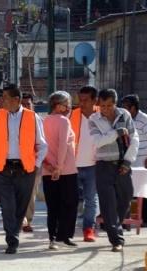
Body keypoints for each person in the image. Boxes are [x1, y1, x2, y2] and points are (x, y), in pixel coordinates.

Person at [0, 85, 47, 254]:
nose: (1, 100)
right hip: (2, 169)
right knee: (8, 205)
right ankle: (12, 239)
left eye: (5, 97)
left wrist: (36, 165)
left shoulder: (32, 117)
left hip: (25, 170)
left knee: (21, 207)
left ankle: (13, 234)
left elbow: (42, 145)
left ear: (16, 99)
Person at [89, 88, 139, 252]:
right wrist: (115, 133)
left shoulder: (124, 115)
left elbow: (134, 139)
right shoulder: (93, 119)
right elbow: (97, 141)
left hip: (123, 164)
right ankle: (116, 239)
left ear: (115, 103)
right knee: (108, 203)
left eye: (109, 105)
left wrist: (127, 162)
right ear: (98, 104)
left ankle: (114, 224)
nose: (106, 109)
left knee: (125, 198)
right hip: (104, 166)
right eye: (102, 105)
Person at [42, 91, 78, 249]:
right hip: (66, 169)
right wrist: (59, 167)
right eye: (67, 104)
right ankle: (64, 235)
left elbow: (40, 146)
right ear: (58, 105)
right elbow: (63, 144)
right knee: (69, 203)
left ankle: (53, 237)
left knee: (53, 205)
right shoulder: (64, 121)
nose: (69, 107)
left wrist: (48, 166)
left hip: (47, 168)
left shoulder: (43, 121)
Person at [122, 94, 147, 225]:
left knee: (142, 192)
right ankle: (124, 219)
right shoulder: (125, 119)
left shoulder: (144, 119)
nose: (123, 109)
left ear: (133, 108)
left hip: (142, 160)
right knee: (126, 190)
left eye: (126, 107)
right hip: (129, 159)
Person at [72, 86, 100, 242]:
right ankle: (67, 227)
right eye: (80, 100)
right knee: (71, 199)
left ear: (94, 100)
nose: (81, 103)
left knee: (91, 199)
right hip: (73, 165)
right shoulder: (72, 115)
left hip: (94, 165)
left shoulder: (102, 116)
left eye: (85, 100)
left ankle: (89, 229)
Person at [20, 92, 42, 233]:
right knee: (17, 193)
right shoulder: (12, 119)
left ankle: (27, 220)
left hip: (33, 164)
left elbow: (42, 144)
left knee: (31, 194)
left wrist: (38, 163)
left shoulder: (36, 119)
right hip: (15, 164)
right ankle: (19, 219)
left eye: (28, 104)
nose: (26, 106)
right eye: (23, 104)